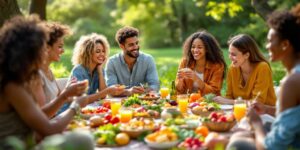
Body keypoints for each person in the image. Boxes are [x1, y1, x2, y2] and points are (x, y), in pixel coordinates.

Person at [0, 15, 91, 149]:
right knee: (83, 139)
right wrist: (75, 107)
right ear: (29, 52)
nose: (44, 52)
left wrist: (65, 96)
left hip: (31, 141)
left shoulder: (20, 79)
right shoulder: (12, 86)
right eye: (42, 48)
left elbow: (40, 115)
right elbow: (49, 129)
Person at [247, 4, 300, 149]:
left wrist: (256, 123)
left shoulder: (292, 82)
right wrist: (267, 109)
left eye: (270, 40)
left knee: (237, 140)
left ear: (285, 44)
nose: (267, 46)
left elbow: (271, 147)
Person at [35, 22, 87, 117]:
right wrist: (68, 96)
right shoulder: (36, 74)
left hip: (54, 120)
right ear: (47, 48)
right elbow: (42, 115)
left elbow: (59, 98)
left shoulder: (48, 70)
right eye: (59, 46)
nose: (63, 51)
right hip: (47, 126)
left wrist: (75, 94)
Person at [213, 34, 276, 106]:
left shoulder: (262, 67)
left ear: (246, 55)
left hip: (266, 114)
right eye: (229, 53)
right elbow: (229, 97)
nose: (230, 57)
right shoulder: (233, 69)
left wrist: (230, 101)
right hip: (242, 112)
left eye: (234, 54)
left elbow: (257, 103)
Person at [105, 26, 160, 96]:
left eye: (136, 43)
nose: (135, 47)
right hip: (119, 103)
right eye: (131, 45)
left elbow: (155, 85)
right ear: (122, 46)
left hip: (142, 102)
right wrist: (129, 92)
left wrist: (144, 91)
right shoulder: (112, 62)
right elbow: (111, 90)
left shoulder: (148, 59)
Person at [70, 33, 124, 98]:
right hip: (73, 107)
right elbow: (81, 99)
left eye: (103, 51)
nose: (102, 54)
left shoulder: (99, 70)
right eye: (98, 51)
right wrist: (107, 91)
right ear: (88, 53)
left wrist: (100, 72)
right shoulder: (79, 70)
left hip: (89, 106)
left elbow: (103, 96)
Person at [175, 31, 226, 96]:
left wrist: (196, 78)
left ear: (207, 49)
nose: (195, 50)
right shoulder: (185, 62)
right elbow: (179, 90)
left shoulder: (217, 66)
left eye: (199, 47)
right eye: (193, 47)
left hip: (208, 103)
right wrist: (180, 80)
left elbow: (214, 92)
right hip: (189, 102)